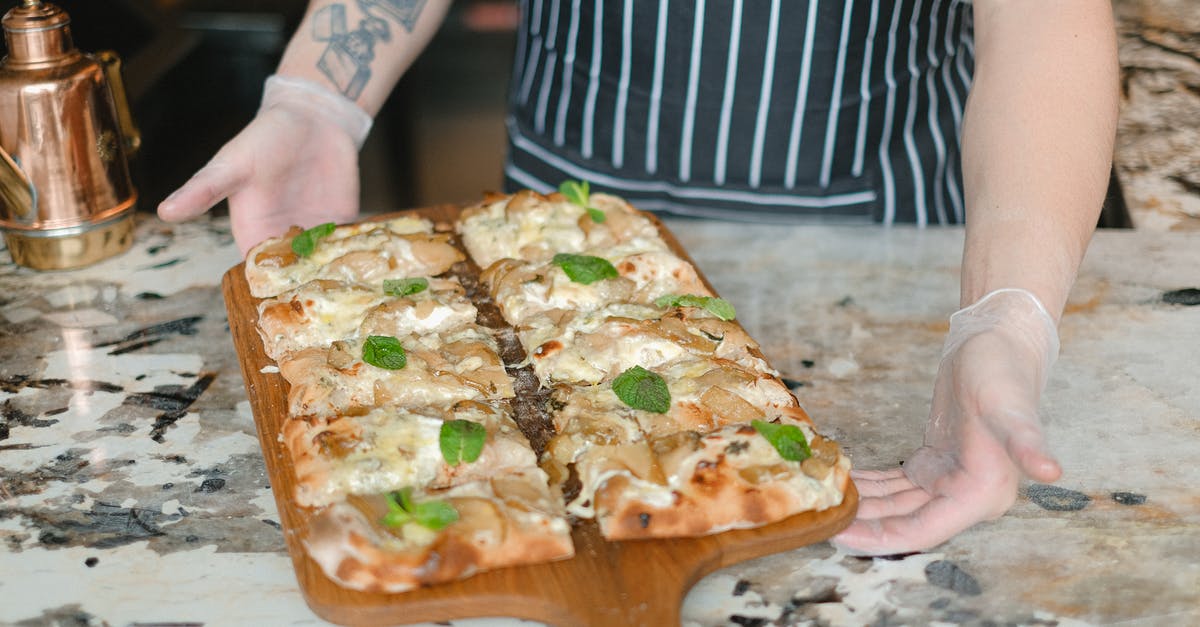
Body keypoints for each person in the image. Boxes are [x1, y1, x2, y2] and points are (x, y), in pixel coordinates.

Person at [158, 0, 1118, 554]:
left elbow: (1046, 27)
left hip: (879, 249)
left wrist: (1005, 315)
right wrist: (321, 96)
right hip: (560, 247)